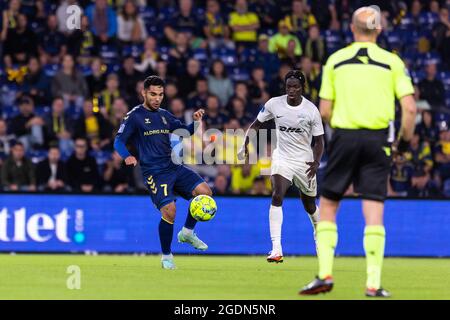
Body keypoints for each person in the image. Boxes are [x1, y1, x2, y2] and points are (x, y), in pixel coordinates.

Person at [299, 7, 417, 298]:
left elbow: (324, 111)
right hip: (379, 141)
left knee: (328, 205)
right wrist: (402, 144)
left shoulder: (336, 61)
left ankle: (325, 274)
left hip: (345, 137)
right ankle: (373, 284)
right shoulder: (392, 62)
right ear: (378, 30)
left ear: (352, 29)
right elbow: (411, 109)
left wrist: (342, 132)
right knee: (374, 209)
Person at [114, 76, 213, 270]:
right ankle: (167, 256)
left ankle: (187, 232)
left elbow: (184, 131)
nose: (157, 98)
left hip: (173, 166)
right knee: (170, 211)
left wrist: (195, 123)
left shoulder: (164, 115)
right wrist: (127, 156)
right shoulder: (134, 116)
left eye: (160, 94)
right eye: (153, 94)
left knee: (205, 192)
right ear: (144, 93)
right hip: (155, 172)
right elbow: (118, 141)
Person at [238, 70, 324, 263]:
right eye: (288, 87)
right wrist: (245, 142)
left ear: (302, 88)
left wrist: (316, 162)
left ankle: (319, 233)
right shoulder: (274, 104)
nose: (291, 90)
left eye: (295, 87)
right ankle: (276, 249)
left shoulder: (311, 110)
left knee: (309, 205)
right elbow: (256, 125)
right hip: (282, 158)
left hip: (304, 161)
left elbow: (319, 141)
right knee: (277, 194)